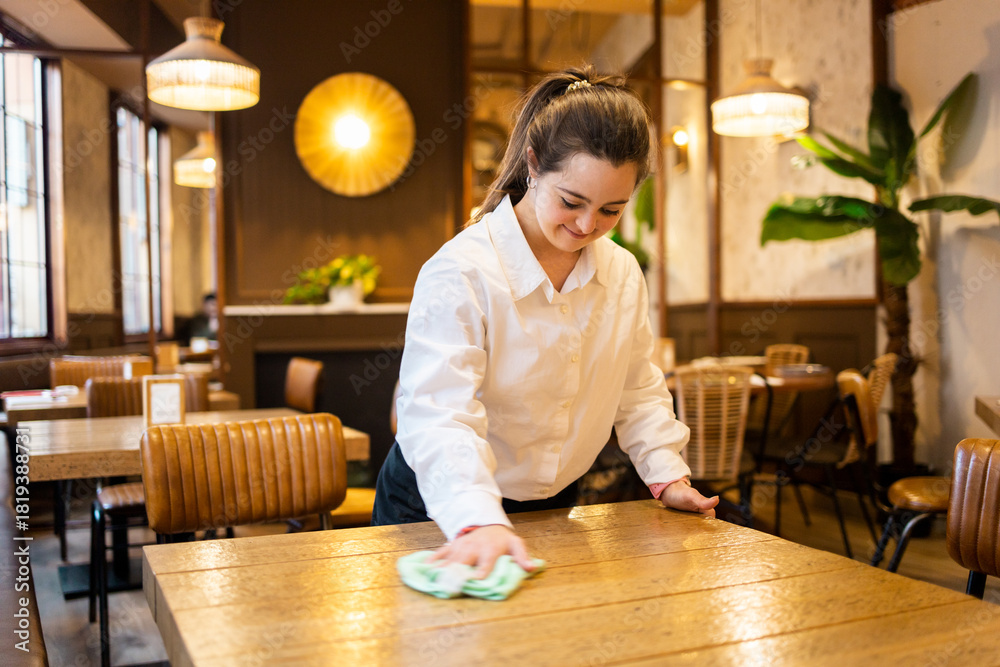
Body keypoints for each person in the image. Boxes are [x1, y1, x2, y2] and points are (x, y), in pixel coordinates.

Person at [372, 66, 718, 577]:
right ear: (533, 165)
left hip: (553, 503)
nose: (587, 225)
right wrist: (476, 518)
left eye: (611, 210)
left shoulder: (621, 272)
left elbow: (636, 387)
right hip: (437, 505)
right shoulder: (462, 270)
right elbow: (440, 413)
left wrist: (667, 475)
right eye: (571, 202)